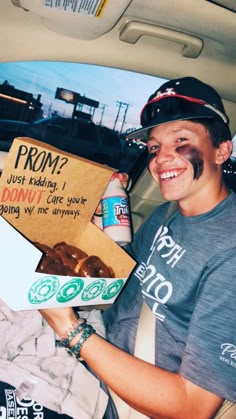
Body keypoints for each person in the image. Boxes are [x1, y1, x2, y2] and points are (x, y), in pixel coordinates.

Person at [39, 77, 236, 419]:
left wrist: (69, 329)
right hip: (93, 349)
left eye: (181, 141)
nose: (161, 160)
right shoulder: (167, 213)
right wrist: (94, 230)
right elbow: (118, 284)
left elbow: (192, 407)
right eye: (154, 147)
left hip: (119, 401)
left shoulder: (229, 251)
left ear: (221, 150)